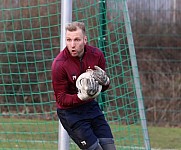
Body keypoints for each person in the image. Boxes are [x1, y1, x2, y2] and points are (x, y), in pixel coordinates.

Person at [52, 22, 116, 150]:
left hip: (91, 108)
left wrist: (106, 82)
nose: (72, 45)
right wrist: (81, 96)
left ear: (85, 40)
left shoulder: (97, 55)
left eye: (77, 40)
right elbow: (61, 99)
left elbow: (101, 87)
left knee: (109, 147)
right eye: (68, 40)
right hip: (70, 114)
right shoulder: (59, 64)